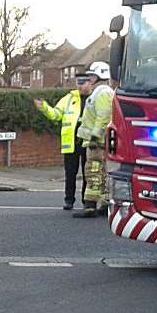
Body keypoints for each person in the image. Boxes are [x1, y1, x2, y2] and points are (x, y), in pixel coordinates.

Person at [34, 72, 94, 210]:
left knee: (88, 173)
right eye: (78, 83)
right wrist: (44, 108)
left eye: (83, 83)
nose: (80, 87)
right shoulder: (69, 98)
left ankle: (88, 201)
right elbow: (56, 115)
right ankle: (69, 200)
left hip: (89, 141)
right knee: (70, 173)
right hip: (71, 141)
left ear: (90, 83)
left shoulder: (95, 98)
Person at [73, 61, 115, 218]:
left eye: (91, 75)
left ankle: (90, 206)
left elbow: (103, 116)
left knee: (93, 172)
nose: (88, 79)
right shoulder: (101, 92)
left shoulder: (102, 92)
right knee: (101, 172)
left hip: (96, 142)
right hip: (96, 140)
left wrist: (95, 137)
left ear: (99, 76)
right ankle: (104, 204)